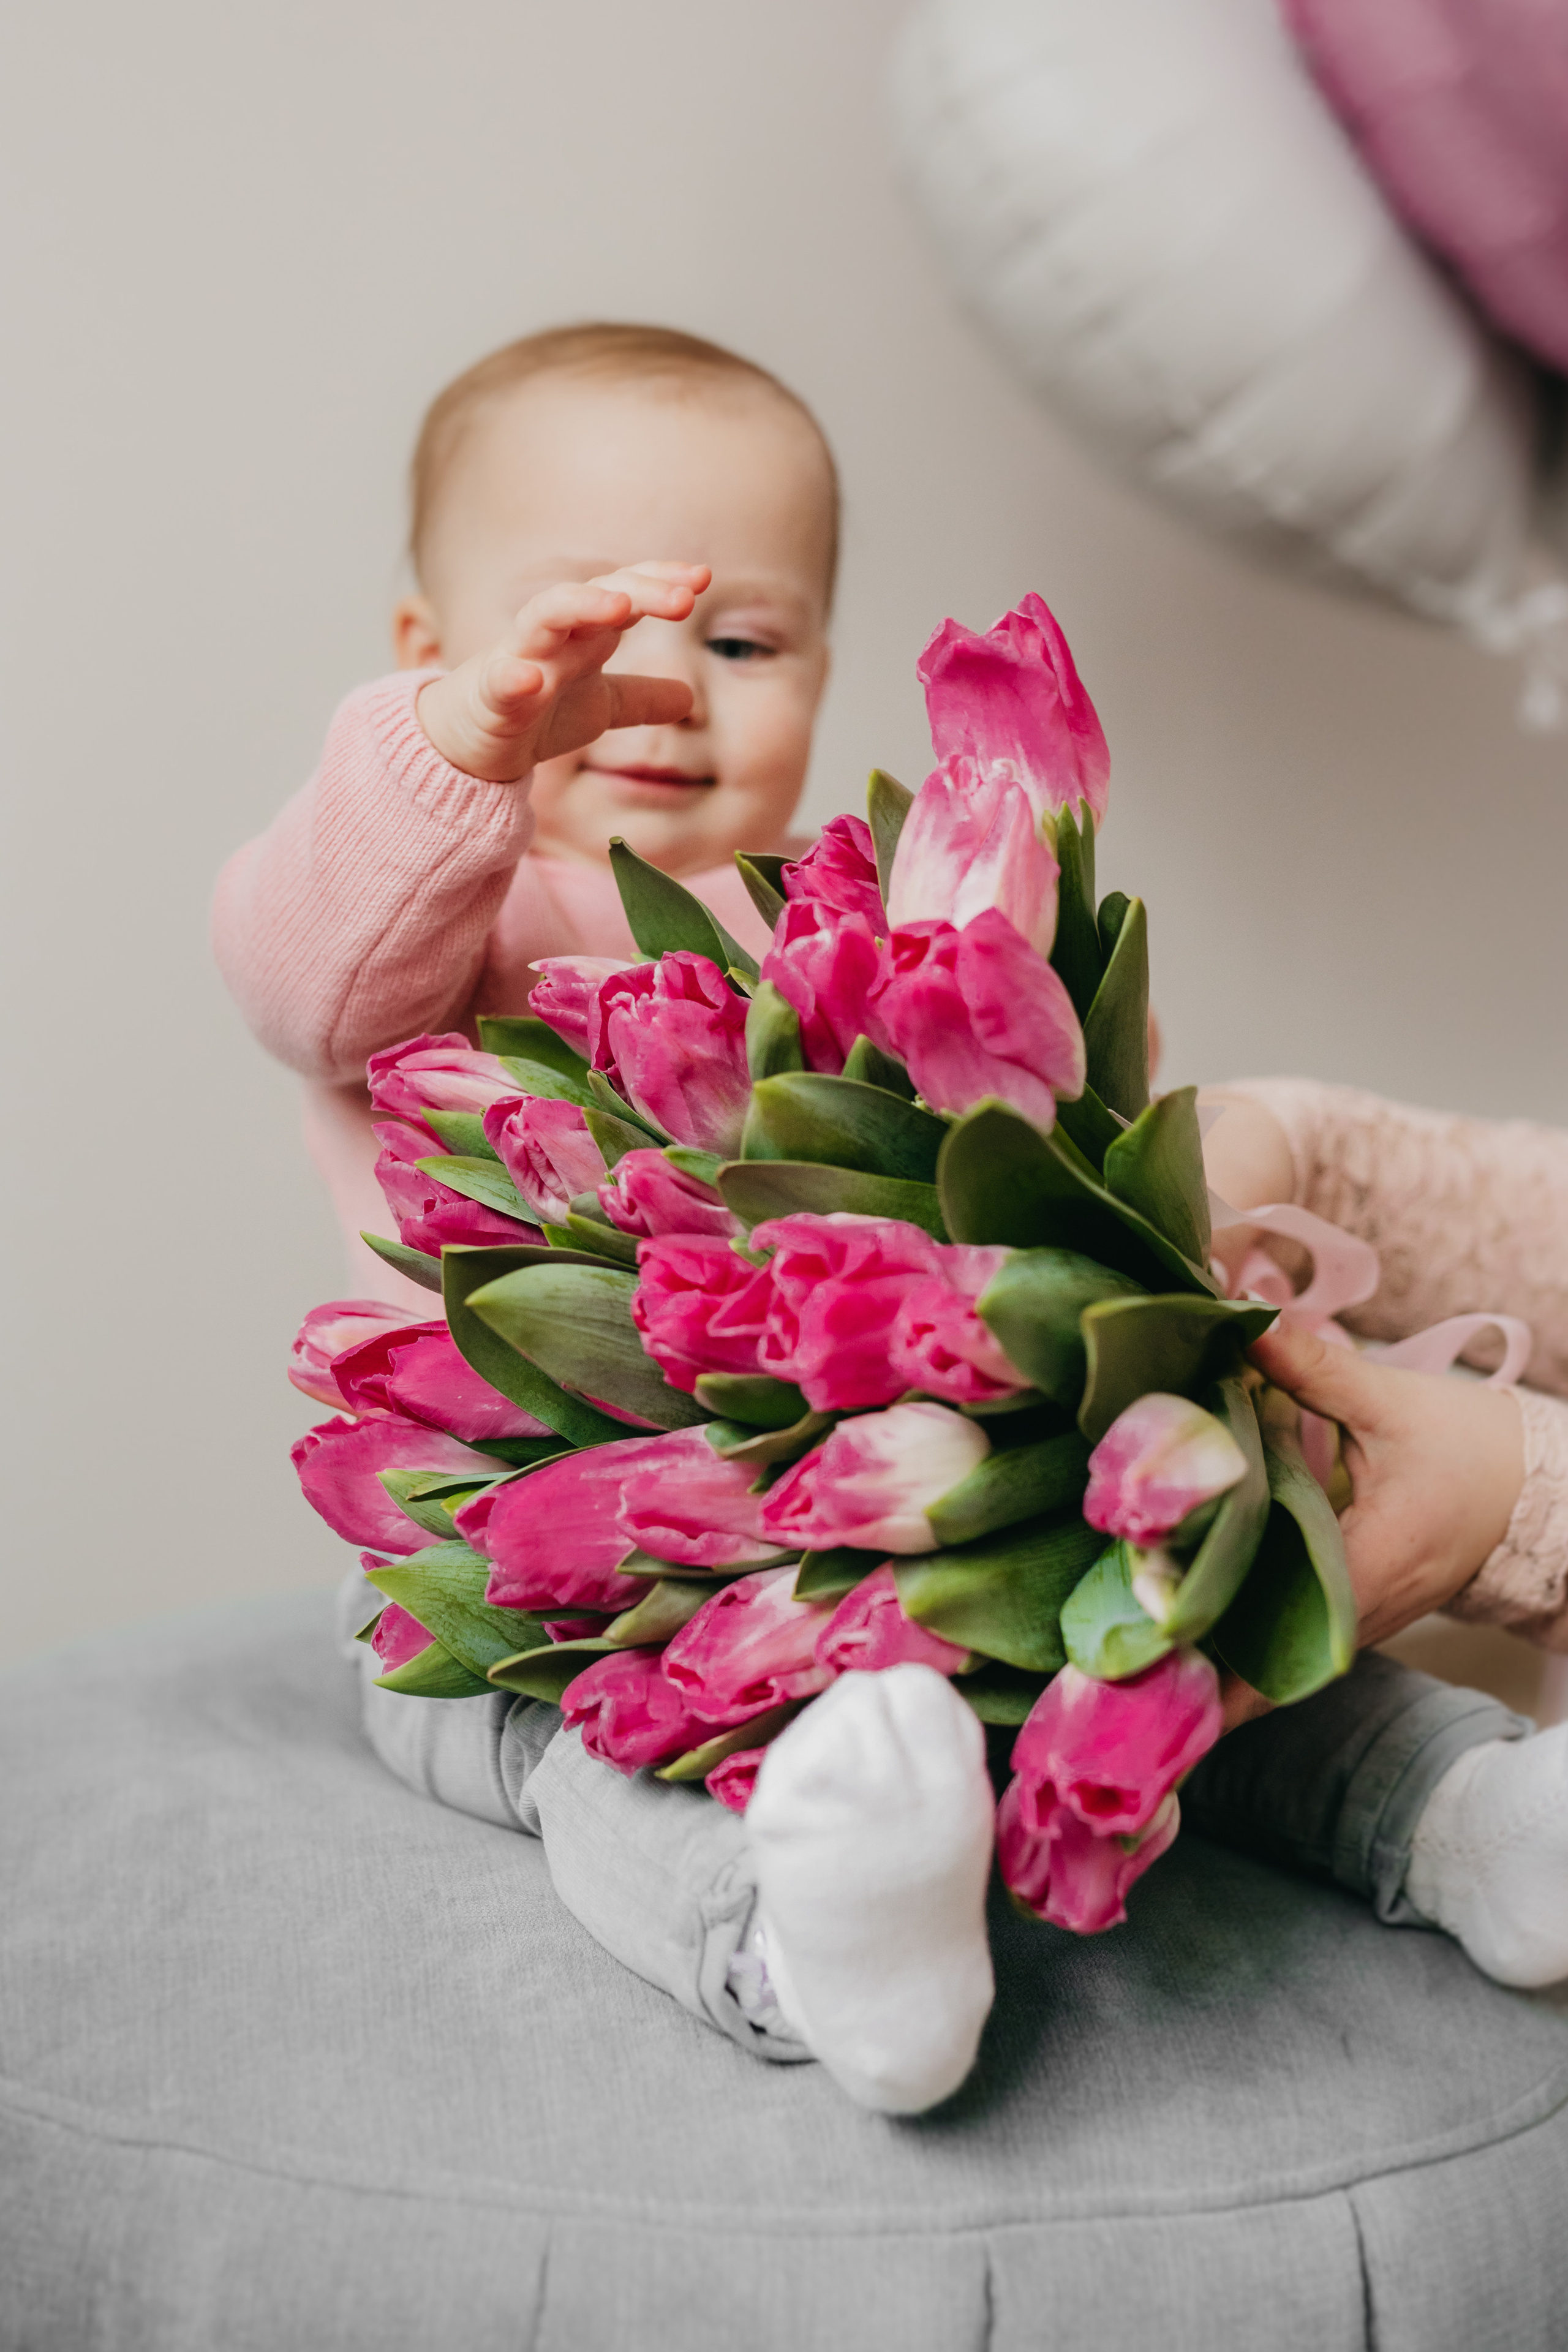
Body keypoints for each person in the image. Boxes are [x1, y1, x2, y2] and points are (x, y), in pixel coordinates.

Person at [213, 321, 834, 1306]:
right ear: (429, 654)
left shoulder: (863, 911)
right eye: (591, 631)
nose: (672, 692)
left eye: (745, 647)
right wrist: (448, 752)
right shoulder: (451, 910)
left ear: (823, 672)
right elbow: (306, 1002)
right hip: (514, 1448)